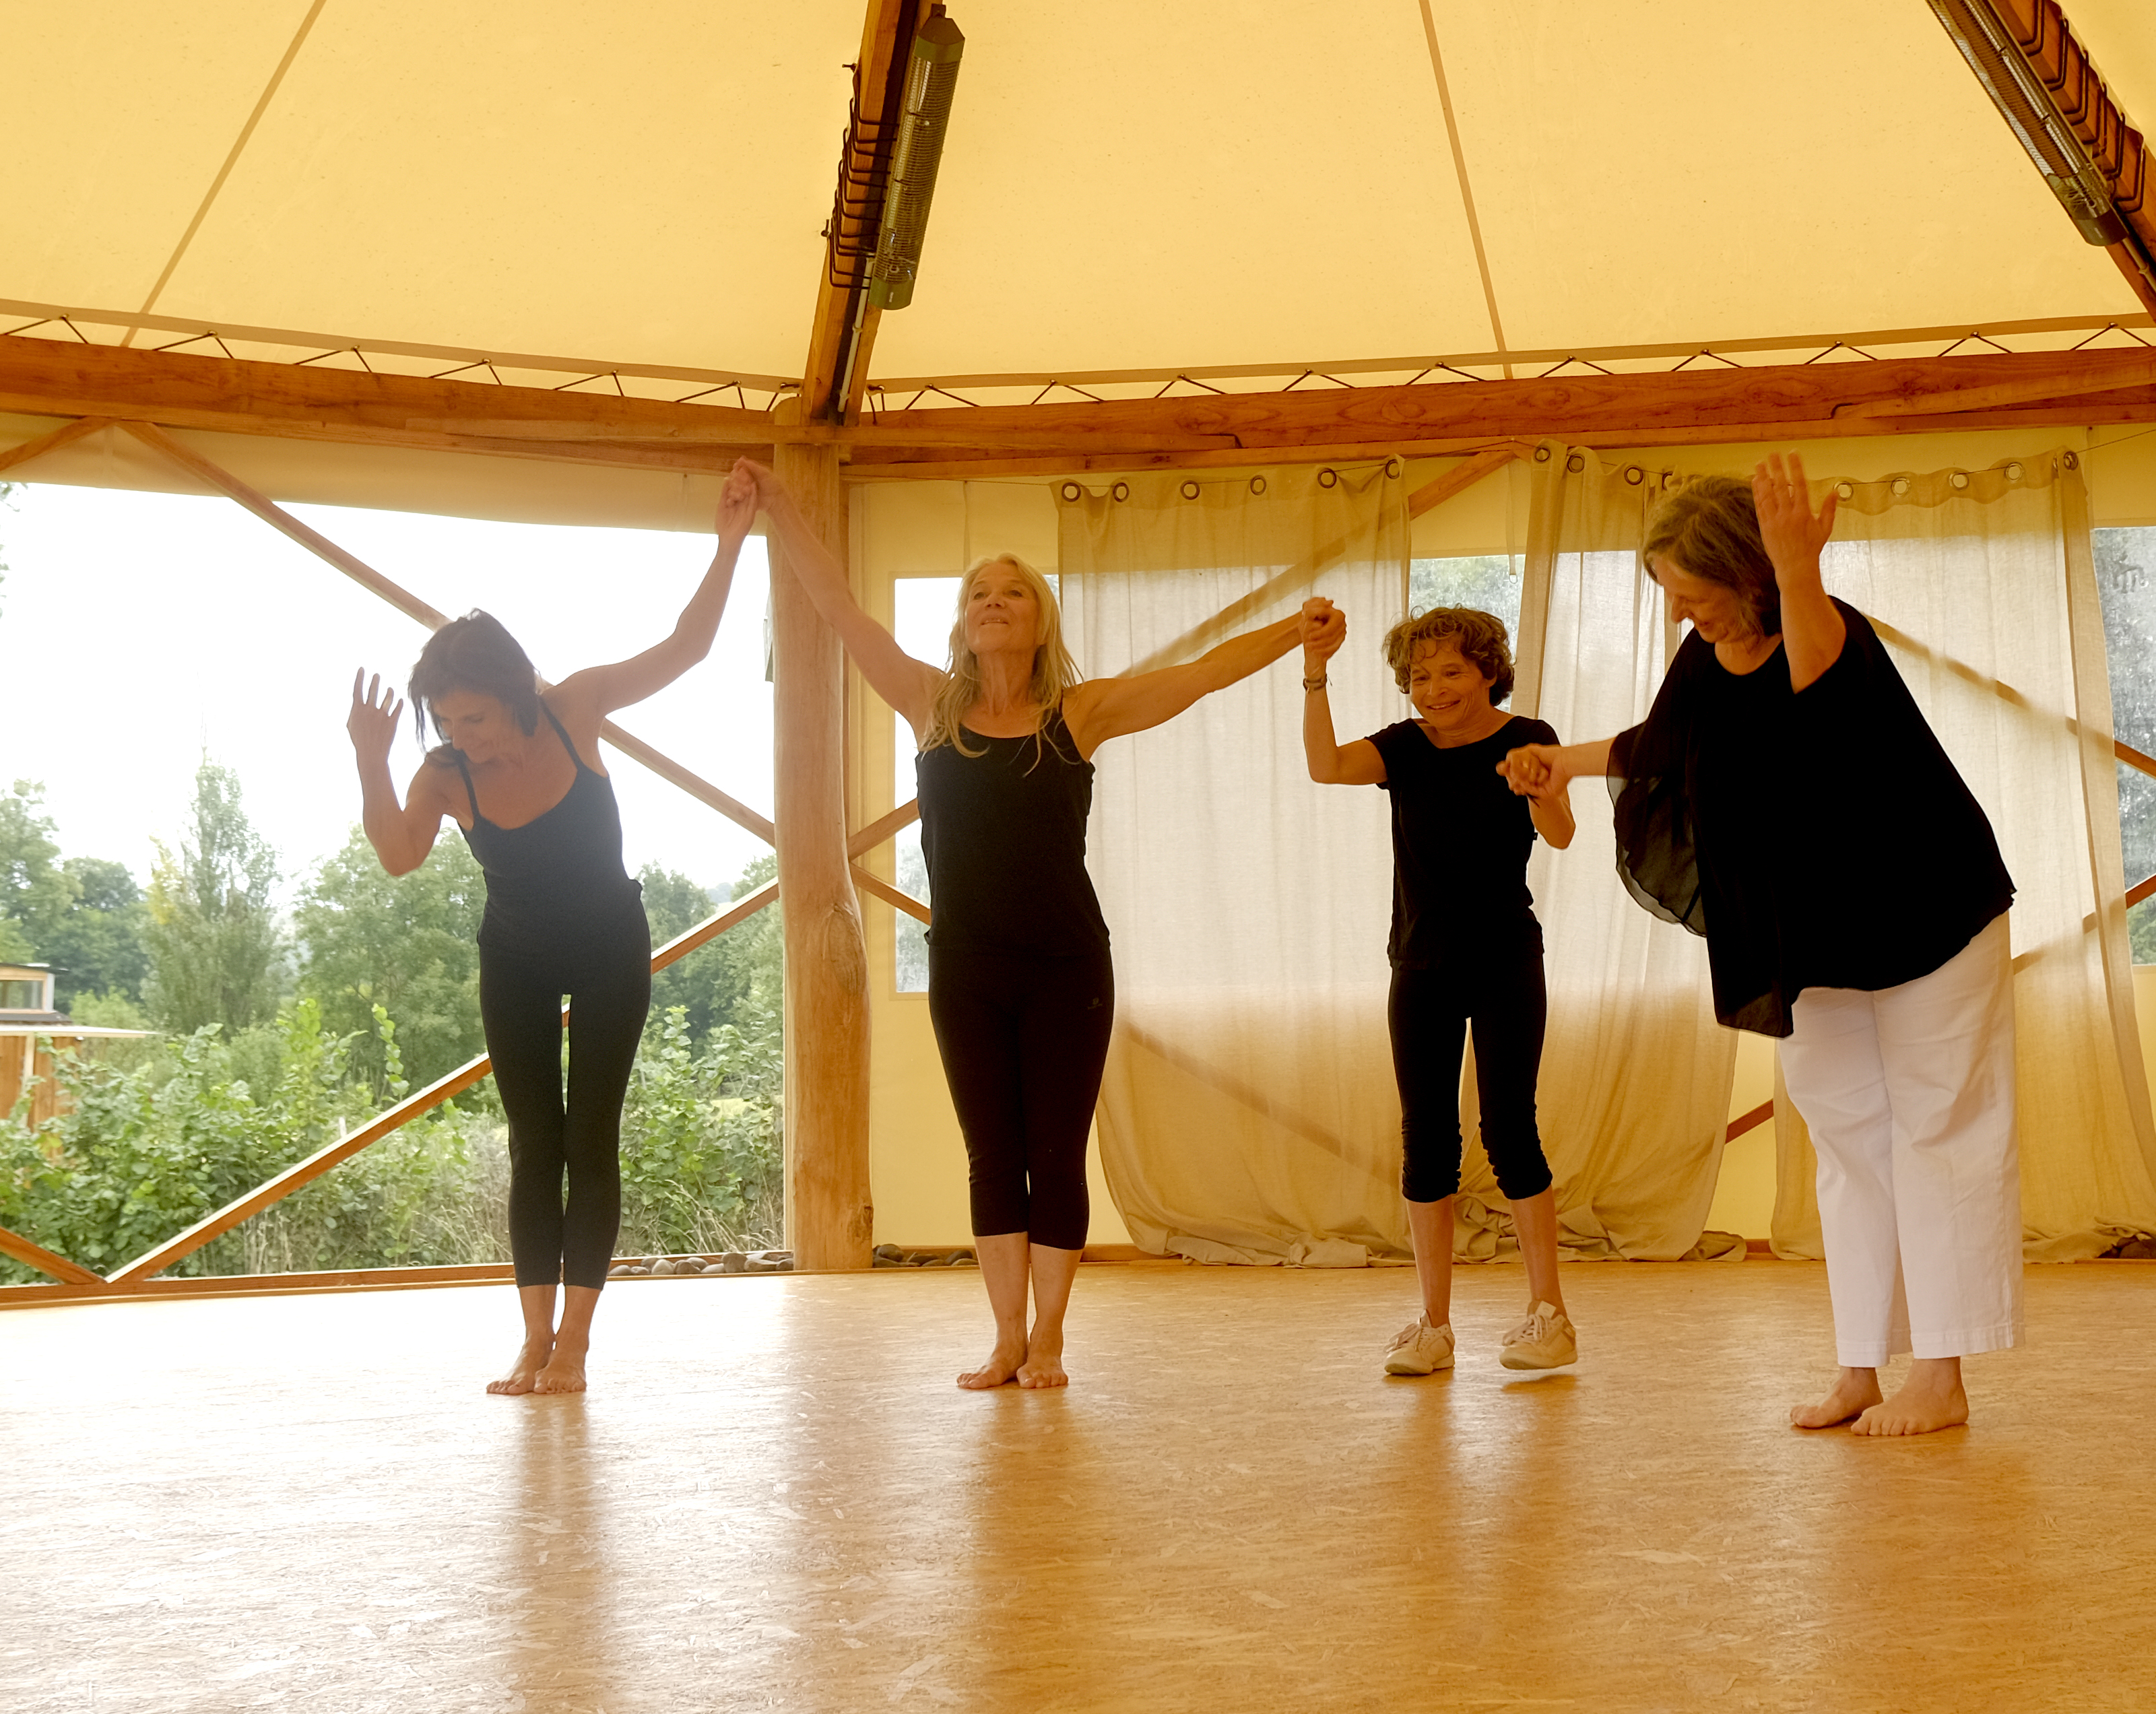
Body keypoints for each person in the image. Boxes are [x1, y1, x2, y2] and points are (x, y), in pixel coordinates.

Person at [746, 458, 1319, 1391]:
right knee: (992, 1154)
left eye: (1014, 591)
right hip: (967, 966)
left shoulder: (1077, 714)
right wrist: (778, 507)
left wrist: (1294, 631)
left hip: (1065, 966)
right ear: (963, 621)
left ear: (1040, 616)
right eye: (980, 592)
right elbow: (842, 609)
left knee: (1054, 1151)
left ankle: (1050, 1335)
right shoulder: (930, 703)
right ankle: (1004, 1336)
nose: (996, 601)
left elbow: (1201, 676)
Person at [1500, 453, 2020, 1436]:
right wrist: (1553, 763)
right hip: (1809, 931)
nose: (1678, 615)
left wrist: (1796, 569)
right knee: (1847, 1145)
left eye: (1691, 594)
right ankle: (1860, 1366)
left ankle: (1942, 1378)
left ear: (1747, 575)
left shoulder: (1830, 636)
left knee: (1938, 1133)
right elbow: (1660, 748)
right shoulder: (1705, 656)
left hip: (1929, 916)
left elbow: (1814, 678)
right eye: (1670, 597)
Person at [345, 463, 756, 1395]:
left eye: (476, 715)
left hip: (611, 947)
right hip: (518, 960)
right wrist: (373, 761)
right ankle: (532, 1340)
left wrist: (729, 542)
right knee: (533, 1142)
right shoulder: (446, 775)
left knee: (590, 1139)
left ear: (514, 690)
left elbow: (686, 648)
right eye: (446, 719)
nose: (465, 733)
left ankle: (575, 1347)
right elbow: (399, 855)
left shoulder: (574, 710)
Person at [1302, 603, 1579, 1373]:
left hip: (1505, 958)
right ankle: (1432, 1324)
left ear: (1487, 669)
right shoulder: (1403, 749)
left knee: (1508, 1129)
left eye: (1450, 671)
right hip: (1419, 962)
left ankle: (1548, 1314)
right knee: (1426, 1140)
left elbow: (1560, 833)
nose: (1432, 688)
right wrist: (1315, 670)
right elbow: (1324, 765)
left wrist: (1539, 789)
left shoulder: (1530, 736)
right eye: (1419, 675)